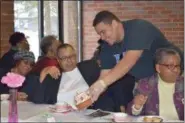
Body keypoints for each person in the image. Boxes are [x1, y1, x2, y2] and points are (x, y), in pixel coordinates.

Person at [88, 10, 184, 102]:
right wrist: (90, 93)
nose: (102, 37)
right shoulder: (107, 46)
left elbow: (128, 61)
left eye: (103, 32)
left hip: (176, 73)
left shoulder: (138, 28)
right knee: (140, 113)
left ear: (114, 24)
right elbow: (105, 75)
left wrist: (102, 83)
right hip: (146, 82)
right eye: (99, 34)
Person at [32, 43, 129, 112]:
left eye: (72, 56)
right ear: (58, 60)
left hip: (90, 115)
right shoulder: (55, 76)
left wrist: (121, 104)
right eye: (65, 58)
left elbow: (112, 81)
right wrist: (43, 73)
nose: (69, 60)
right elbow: (38, 100)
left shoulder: (90, 67)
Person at [127, 48, 184, 120]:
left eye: (177, 66)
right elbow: (131, 115)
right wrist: (137, 107)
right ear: (158, 68)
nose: (176, 70)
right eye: (171, 66)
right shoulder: (146, 84)